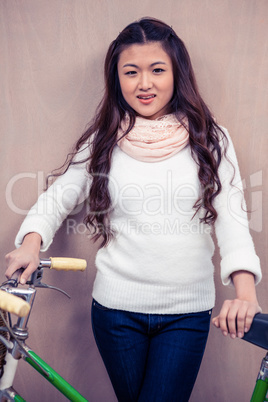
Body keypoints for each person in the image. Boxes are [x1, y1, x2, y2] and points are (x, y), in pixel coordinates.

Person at [5, 17, 262, 402]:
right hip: (114, 314)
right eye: (131, 72)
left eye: (157, 70)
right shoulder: (104, 140)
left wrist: (245, 293)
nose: (144, 83)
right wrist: (30, 243)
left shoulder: (210, 139)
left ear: (177, 74)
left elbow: (232, 219)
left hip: (186, 315)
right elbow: (58, 197)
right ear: (117, 79)